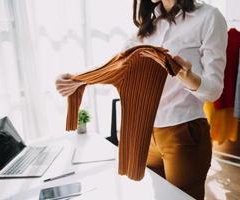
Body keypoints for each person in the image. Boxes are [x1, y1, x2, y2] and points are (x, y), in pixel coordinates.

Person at [55, 0, 227, 199]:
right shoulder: (149, 26)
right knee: (158, 196)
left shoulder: (209, 17)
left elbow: (214, 90)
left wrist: (188, 77)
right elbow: (116, 65)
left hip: (183, 133)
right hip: (145, 133)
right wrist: (76, 79)